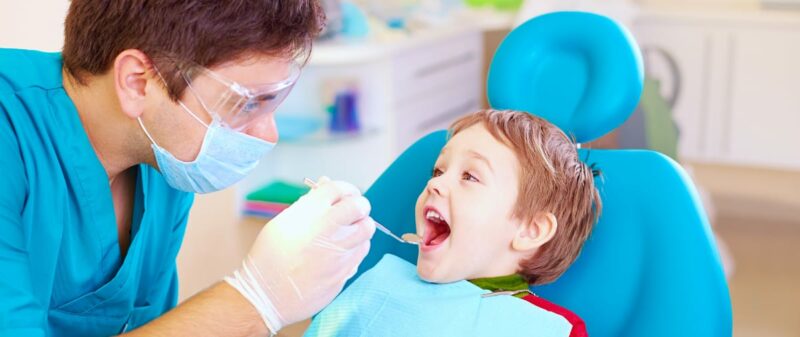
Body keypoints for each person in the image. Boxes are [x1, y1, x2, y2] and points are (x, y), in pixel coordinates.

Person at [0, 1, 375, 336]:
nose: (268, 133)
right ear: (137, 82)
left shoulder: (165, 161)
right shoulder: (11, 132)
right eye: (247, 104)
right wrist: (256, 299)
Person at [305, 109, 601, 336]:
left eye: (469, 176)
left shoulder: (548, 329)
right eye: (437, 171)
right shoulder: (379, 282)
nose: (435, 184)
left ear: (531, 230)